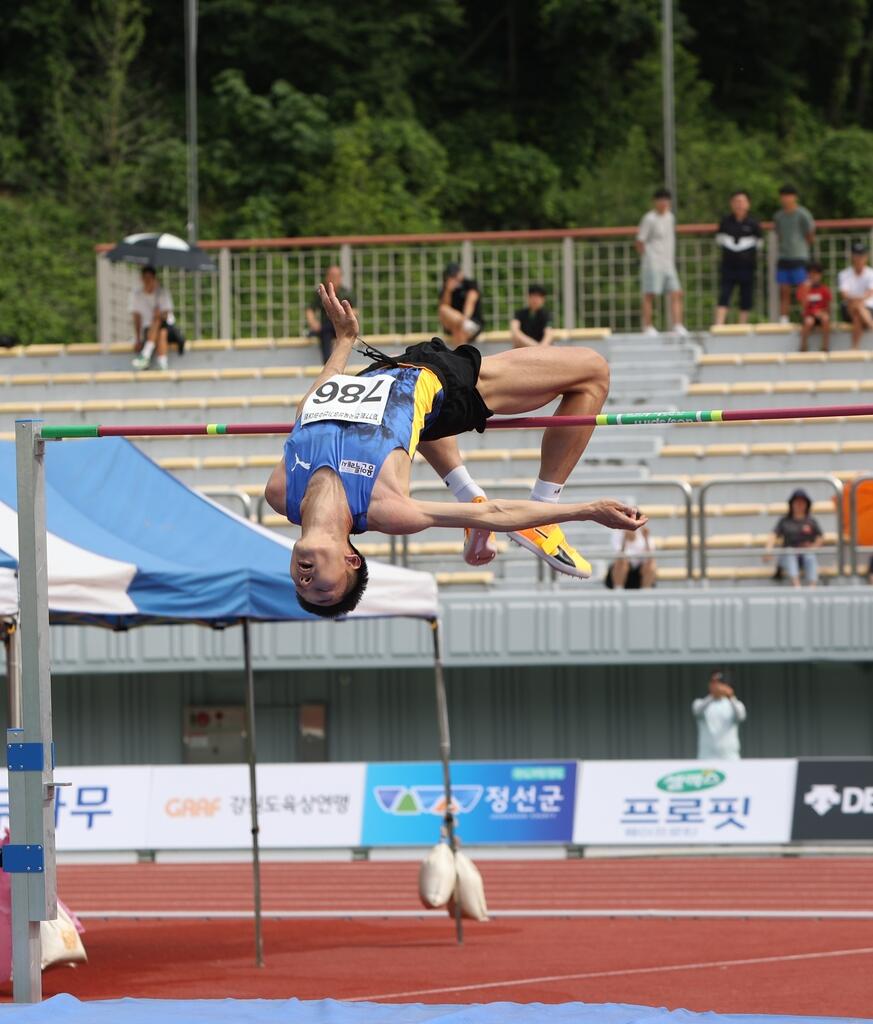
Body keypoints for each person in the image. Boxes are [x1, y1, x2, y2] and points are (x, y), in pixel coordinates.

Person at [264, 282, 647, 617]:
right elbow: (498, 513)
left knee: (413, 427)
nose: (306, 582)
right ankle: (543, 514)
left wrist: (344, 340)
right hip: (445, 384)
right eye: (323, 590)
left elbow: (310, 410)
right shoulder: (387, 509)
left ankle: (469, 492)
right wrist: (588, 510)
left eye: (300, 588)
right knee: (592, 371)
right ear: (352, 559)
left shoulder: (282, 493)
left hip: (386, 372)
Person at [636, 188, 687, 337]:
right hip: (653, 262)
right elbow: (640, 241)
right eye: (661, 200)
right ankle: (648, 326)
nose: (664, 203)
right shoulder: (649, 218)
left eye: (666, 200)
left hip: (668, 263)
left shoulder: (671, 217)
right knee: (650, 294)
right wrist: (649, 257)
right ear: (655, 202)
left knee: (676, 292)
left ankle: (678, 325)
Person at [714, 191, 763, 326]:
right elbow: (719, 239)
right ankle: (719, 324)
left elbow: (759, 242)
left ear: (748, 204)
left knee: (746, 296)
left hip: (747, 266)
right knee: (724, 294)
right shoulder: (725, 221)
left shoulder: (753, 223)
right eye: (736, 201)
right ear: (731, 204)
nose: (739, 205)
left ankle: (742, 325)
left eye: (742, 202)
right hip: (728, 266)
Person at [764, 488, 824, 587]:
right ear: (791, 504)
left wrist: (812, 547)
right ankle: (796, 585)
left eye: (802, 502)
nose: (799, 505)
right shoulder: (785, 520)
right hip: (788, 556)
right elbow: (773, 535)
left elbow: (820, 538)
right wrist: (768, 551)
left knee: (810, 556)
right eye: (797, 502)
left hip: (805, 555)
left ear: (807, 504)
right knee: (790, 552)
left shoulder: (811, 521)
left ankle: (812, 586)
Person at [774, 185, 815, 323]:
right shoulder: (778, 216)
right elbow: (779, 234)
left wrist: (801, 247)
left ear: (795, 197)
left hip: (799, 257)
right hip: (784, 256)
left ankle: (806, 316)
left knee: (802, 290)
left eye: (788, 195)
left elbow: (810, 235)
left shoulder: (803, 214)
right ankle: (784, 319)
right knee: (784, 290)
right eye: (783, 196)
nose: (786, 199)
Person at [306, 265, 357, 364]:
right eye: (332, 276)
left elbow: (355, 310)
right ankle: (327, 362)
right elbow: (310, 309)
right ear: (327, 277)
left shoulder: (346, 293)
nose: (335, 279)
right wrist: (313, 322)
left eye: (337, 276)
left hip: (343, 325)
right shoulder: (321, 293)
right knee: (325, 331)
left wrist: (346, 314)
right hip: (326, 327)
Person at [692, 670, 746, 761]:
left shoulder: (735, 704)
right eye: (714, 683)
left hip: (730, 757)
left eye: (720, 683)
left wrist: (731, 696)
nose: (717, 686)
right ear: (709, 684)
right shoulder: (700, 702)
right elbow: (697, 711)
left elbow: (741, 715)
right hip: (706, 757)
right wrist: (712, 696)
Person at [130, 266, 174, 371]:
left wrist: (158, 314)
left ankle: (146, 354)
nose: (147, 281)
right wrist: (138, 339)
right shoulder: (137, 295)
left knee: (159, 322)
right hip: (150, 331)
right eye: (145, 278)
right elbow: (137, 319)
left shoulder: (162, 292)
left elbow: (166, 316)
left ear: (154, 279)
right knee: (161, 332)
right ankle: (163, 364)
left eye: (150, 278)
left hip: (167, 327)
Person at [837, 241, 873, 350]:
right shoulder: (844, 274)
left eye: (861, 255)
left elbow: (870, 293)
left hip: (865, 309)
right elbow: (844, 295)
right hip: (853, 308)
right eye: (857, 255)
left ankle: (854, 347)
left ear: (866, 257)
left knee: (857, 314)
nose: (859, 258)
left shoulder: (871, 273)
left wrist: (856, 300)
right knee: (856, 307)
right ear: (852, 257)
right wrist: (858, 300)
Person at [438, 262, 483, 347]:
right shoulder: (446, 288)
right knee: (444, 309)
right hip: (459, 324)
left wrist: (464, 320)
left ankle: (458, 356)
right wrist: (448, 290)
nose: (455, 279)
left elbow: (471, 301)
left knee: (459, 330)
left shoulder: (470, 284)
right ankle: (464, 324)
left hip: (472, 321)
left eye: (455, 275)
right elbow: (444, 309)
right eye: (452, 276)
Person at [604, 525, 656, 589]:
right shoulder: (618, 534)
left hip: (638, 572)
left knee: (650, 564)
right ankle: (618, 590)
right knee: (622, 561)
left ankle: (646, 591)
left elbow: (650, 558)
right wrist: (624, 540)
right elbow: (619, 556)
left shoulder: (644, 534)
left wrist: (646, 539)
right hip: (622, 570)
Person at [797, 262, 832, 353]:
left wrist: (821, 313)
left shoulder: (824, 289)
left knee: (826, 318)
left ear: (820, 275)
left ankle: (825, 346)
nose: (813, 276)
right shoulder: (803, 288)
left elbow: (828, 307)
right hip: (809, 315)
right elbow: (803, 305)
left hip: (821, 315)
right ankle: (803, 346)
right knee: (809, 321)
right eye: (810, 274)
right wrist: (806, 290)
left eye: (815, 274)